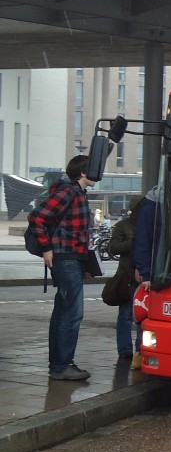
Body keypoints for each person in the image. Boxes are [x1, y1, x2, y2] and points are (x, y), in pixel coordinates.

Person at [28, 154, 96, 381]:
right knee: (72, 313)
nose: (99, 174)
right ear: (84, 172)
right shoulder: (69, 192)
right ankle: (62, 365)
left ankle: (59, 364)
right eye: (94, 169)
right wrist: (47, 248)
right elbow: (37, 217)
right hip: (65, 259)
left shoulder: (77, 193)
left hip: (71, 258)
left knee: (62, 313)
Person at [131, 186, 160, 370]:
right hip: (154, 271)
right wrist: (145, 272)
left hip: (164, 269)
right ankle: (141, 352)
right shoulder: (150, 209)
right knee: (146, 312)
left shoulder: (170, 203)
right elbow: (142, 241)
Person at [106, 204, 139, 362]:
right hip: (127, 277)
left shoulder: (153, 224)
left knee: (143, 316)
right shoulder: (122, 226)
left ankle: (141, 348)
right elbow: (113, 248)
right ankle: (125, 349)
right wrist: (133, 242)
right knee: (126, 315)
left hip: (145, 276)